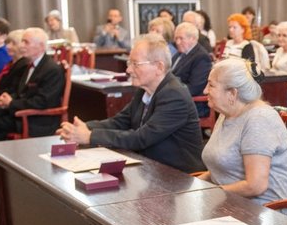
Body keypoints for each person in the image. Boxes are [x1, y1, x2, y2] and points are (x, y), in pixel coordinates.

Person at [57, 33, 204, 173]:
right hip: (150, 167)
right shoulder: (144, 90)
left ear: (159, 67)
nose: (128, 69)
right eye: (129, 63)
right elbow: (120, 122)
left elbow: (142, 138)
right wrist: (83, 127)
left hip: (178, 177)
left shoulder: (174, 95)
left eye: (135, 64)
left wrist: (90, 136)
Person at [197, 59, 287, 206]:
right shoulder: (226, 113)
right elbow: (222, 169)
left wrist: (211, 194)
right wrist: (192, 187)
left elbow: (255, 185)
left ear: (232, 93)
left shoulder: (258, 119)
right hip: (227, 202)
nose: (204, 90)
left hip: (263, 213)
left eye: (211, 85)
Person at [0, 27, 66, 176]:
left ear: (41, 46)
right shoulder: (28, 65)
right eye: (22, 41)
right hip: (19, 111)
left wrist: (11, 104)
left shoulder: (51, 69)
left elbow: (42, 102)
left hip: (36, 119)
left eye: (26, 42)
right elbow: (21, 92)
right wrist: (6, 98)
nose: (21, 46)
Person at [171, 22, 213, 116]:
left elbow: (194, 88)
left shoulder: (201, 57)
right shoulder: (179, 54)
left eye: (181, 38)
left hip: (193, 104)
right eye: (176, 38)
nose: (177, 42)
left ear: (193, 38)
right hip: (178, 99)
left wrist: (169, 92)